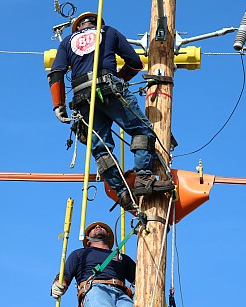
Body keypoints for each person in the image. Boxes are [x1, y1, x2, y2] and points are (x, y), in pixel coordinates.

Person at [47, 11, 174, 210]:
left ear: (78, 27)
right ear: (97, 23)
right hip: (110, 88)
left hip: (82, 98)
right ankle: (143, 179)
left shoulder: (66, 43)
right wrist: (119, 81)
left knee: (101, 148)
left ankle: (122, 193)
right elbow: (134, 63)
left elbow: (56, 73)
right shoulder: (108, 31)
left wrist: (58, 105)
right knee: (141, 130)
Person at [51, 221, 135, 307]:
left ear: (109, 236)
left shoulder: (122, 258)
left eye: (102, 227)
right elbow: (66, 273)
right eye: (93, 227)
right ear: (88, 239)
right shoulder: (80, 254)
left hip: (121, 293)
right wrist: (59, 284)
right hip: (95, 287)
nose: (98, 227)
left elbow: (139, 279)